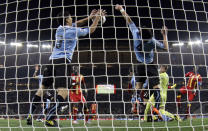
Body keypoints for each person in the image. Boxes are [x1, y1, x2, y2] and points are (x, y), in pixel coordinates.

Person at [27, 9, 104, 127]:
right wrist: (97, 18)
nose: (72, 18)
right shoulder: (72, 31)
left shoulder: (59, 29)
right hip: (63, 62)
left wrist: (89, 18)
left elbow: (76, 23)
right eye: (70, 17)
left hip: (51, 61)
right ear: (67, 19)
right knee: (63, 92)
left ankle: (30, 115)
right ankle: (50, 119)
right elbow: (91, 30)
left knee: (42, 89)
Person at [115, 4, 168, 117]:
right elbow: (165, 47)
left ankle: (137, 105)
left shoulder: (136, 34)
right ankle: (157, 111)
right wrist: (164, 35)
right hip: (150, 65)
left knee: (138, 87)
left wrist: (121, 9)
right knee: (156, 88)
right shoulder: (151, 41)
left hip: (140, 65)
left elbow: (129, 20)